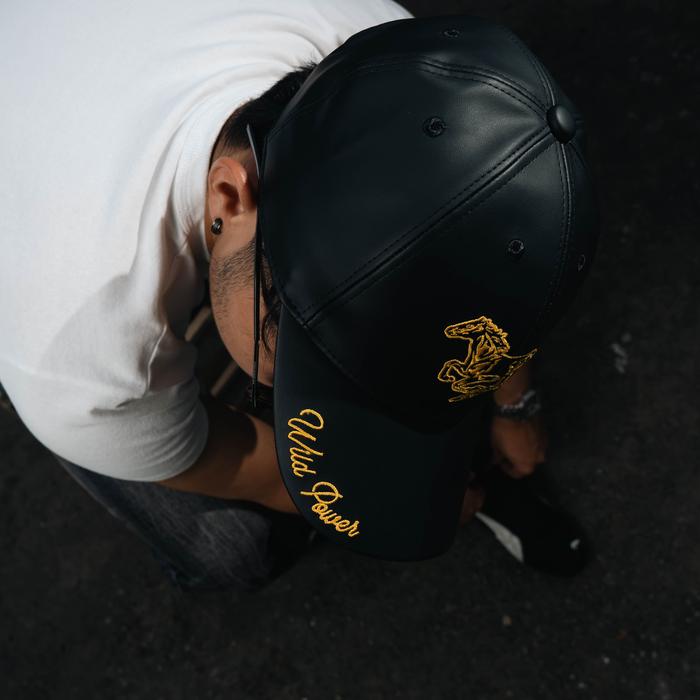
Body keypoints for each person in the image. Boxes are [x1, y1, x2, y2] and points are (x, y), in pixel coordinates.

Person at [0, 1, 595, 591]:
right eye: (308, 356)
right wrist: (400, 502)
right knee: (235, 550)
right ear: (231, 198)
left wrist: (515, 403)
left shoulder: (401, 64)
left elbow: (499, 288)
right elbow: (239, 466)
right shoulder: (82, 365)